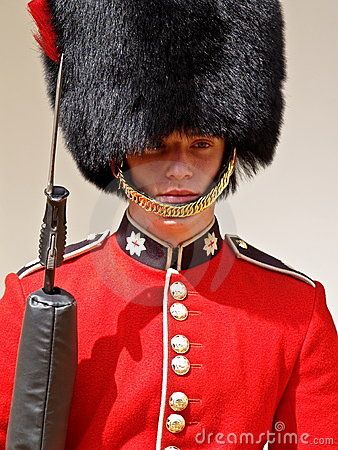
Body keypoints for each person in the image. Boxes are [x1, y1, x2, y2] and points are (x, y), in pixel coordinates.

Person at [1, 0, 337, 449]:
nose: (179, 170)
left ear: (229, 153)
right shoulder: (39, 295)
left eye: (200, 144)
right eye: (156, 146)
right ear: (119, 153)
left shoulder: (297, 308)